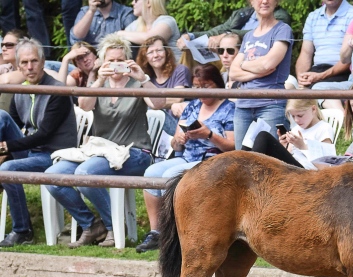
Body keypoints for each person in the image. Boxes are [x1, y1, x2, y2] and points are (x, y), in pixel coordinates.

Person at [45, 34, 165, 249]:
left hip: (135, 154)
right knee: (52, 176)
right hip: (100, 153)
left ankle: (115, 227)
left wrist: (143, 77)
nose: (115, 65)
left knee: (85, 173)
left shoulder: (137, 84)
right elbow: (84, 106)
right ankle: (91, 225)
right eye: (110, 61)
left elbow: (159, 104)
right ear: (103, 62)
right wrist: (99, 79)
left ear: (127, 61)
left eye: (120, 60)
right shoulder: (98, 84)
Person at [137, 64, 235, 253]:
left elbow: (232, 146)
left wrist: (209, 135)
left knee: (171, 174)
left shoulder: (229, 108)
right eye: (197, 87)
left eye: (206, 86)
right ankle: (156, 232)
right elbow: (175, 145)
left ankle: (174, 234)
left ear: (218, 85)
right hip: (187, 156)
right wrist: (179, 139)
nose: (201, 91)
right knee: (151, 173)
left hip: (214, 160)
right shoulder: (192, 106)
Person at [0, 39, 77, 248]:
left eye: (34, 61)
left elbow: (43, 135)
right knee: (1, 116)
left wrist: (5, 149)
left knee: (7, 169)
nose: (30, 67)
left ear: (43, 62)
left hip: (53, 155)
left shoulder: (57, 90)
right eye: (24, 62)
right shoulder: (20, 90)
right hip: (32, 152)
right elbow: (13, 126)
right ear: (18, 66)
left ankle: (23, 231)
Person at [229, 0, 294, 150]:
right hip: (243, 104)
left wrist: (244, 65)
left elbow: (268, 64)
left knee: (269, 161)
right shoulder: (248, 36)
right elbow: (233, 71)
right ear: (251, 2)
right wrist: (256, 70)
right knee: (241, 160)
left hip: (271, 104)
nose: (264, 1)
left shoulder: (282, 29)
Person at [245, 99, 335, 169]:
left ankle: (247, 173)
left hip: (306, 172)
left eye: (300, 115)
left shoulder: (323, 128)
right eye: (293, 116)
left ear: (313, 109)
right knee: (252, 140)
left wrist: (303, 147)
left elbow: (326, 167)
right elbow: (291, 156)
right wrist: (284, 146)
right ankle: (244, 170)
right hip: (291, 167)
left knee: (263, 137)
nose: (296, 120)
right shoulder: (296, 129)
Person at [176, 3, 292, 51]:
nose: (264, 1)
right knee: (188, 48)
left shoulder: (280, 17)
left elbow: (259, 33)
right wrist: (190, 35)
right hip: (226, 54)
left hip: (249, 54)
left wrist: (226, 36)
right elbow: (220, 29)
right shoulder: (242, 13)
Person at [296, 0, 353, 88]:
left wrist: (321, 76)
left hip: (342, 74)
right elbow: (305, 54)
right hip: (316, 72)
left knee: (315, 91)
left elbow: (350, 59)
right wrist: (302, 77)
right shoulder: (313, 17)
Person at [137, 36, 191, 135]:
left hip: (178, 127)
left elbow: (177, 99)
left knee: (154, 111)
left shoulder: (180, 70)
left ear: (167, 52)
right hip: (155, 130)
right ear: (145, 57)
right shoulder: (146, 79)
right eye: (150, 52)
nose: (156, 55)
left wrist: (156, 103)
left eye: (159, 50)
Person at [71, 0, 135, 47]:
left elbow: (132, 45)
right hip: (87, 59)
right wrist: (91, 11)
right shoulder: (85, 11)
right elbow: (76, 38)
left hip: (114, 60)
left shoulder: (125, 13)